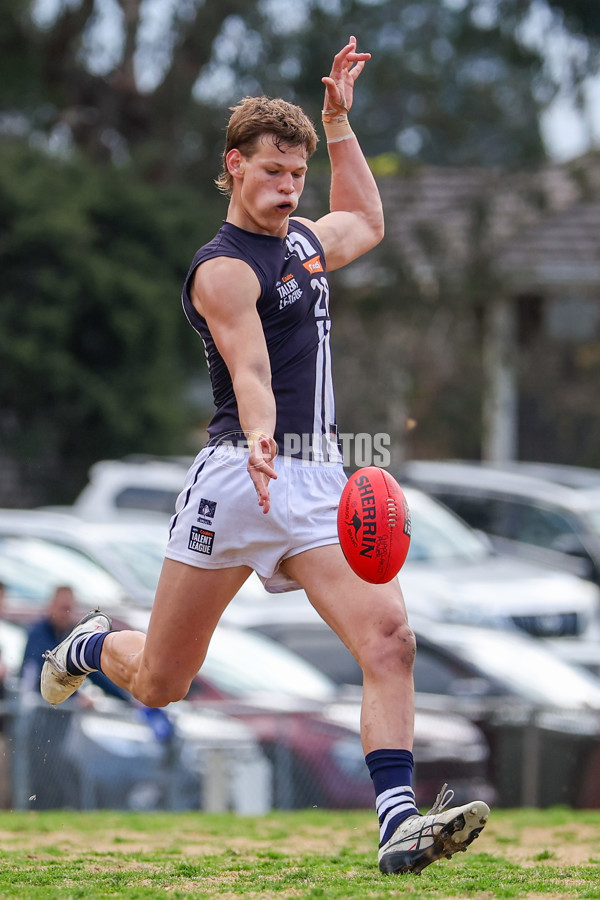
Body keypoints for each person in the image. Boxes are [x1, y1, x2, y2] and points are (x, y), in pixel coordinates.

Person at [40, 37, 489, 874]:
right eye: (273, 172)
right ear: (234, 167)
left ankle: (396, 822)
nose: (288, 189)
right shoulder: (221, 269)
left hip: (320, 484)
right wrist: (257, 438)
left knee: (390, 641)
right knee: (163, 681)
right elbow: (247, 367)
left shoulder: (309, 243)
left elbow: (368, 222)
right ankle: (91, 646)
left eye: (296, 175)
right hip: (238, 481)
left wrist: (338, 125)